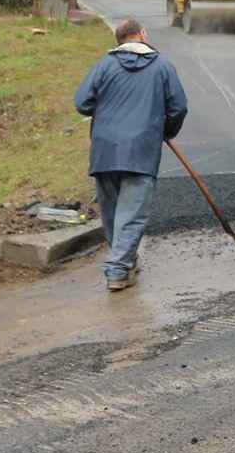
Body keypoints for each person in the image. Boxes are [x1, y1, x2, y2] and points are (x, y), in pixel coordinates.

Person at [73, 17, 188, 292]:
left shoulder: (104, 66)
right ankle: (118, 271)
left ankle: (126, 262)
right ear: (143, 35)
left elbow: (82, 103)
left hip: (104, 150)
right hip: (140, 150)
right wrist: (165, 130)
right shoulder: (162, 66)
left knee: (113, 214)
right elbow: (179, 107)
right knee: (131, 215)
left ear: (119, 40)